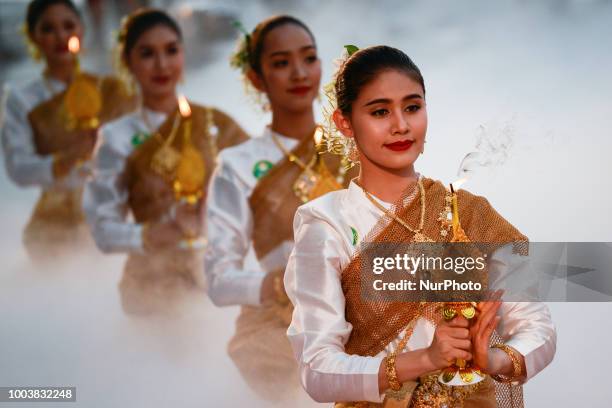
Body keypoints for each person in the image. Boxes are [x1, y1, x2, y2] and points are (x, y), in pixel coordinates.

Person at [285, 45, 556, 407]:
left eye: (412, 107)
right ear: (345, 123)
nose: (401, 125)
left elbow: (537, 328)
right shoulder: (327, 224)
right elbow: (317, 369)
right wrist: (425, 360)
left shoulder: (471, 214)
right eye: (380, 111)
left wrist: (491, 359)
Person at [204, 15, 356, 401]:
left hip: (370, 299)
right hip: (287, 317)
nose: (299, 72)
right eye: (281, 62)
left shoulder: (352, 145)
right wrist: (278, 283)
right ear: (257, 78)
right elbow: (219, 280)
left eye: (309, 58)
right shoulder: (237, 165)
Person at [83, 8, 248, 315]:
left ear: (183, 55)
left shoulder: (214, 123)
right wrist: (152, 234)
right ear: (128, 61)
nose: (162, 64)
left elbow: (267, 183)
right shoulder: (117, 137)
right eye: (147, 53)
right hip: (149, 289)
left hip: (214, 285)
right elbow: (103, 229)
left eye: (171, 50)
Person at [1, 0, 136, 262]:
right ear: (33, 37)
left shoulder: (109, 89)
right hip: (55, 226)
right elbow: (18, 167)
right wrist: (66, 158)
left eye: (68, 26)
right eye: (48, 29)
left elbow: (141, 144)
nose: (61, 36)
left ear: (82, 30)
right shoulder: (22, 99)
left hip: (111, 214)